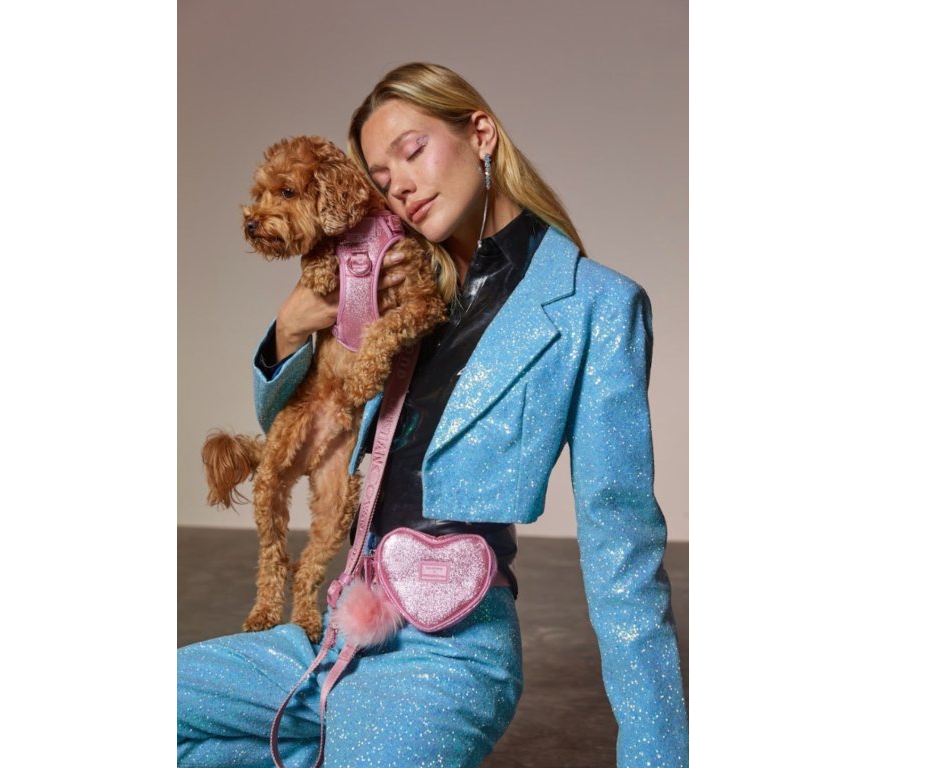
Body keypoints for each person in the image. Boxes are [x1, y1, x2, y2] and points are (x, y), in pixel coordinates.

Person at [178, 62, 689, 767]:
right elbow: (307, 422)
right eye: (382, 177)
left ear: (480, 133)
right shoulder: (388, 275)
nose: (401, 186)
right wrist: (291, 326)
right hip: (332, 632)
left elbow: (622, 554)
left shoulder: (596, 306)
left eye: (413, 151)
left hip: (447, 657)